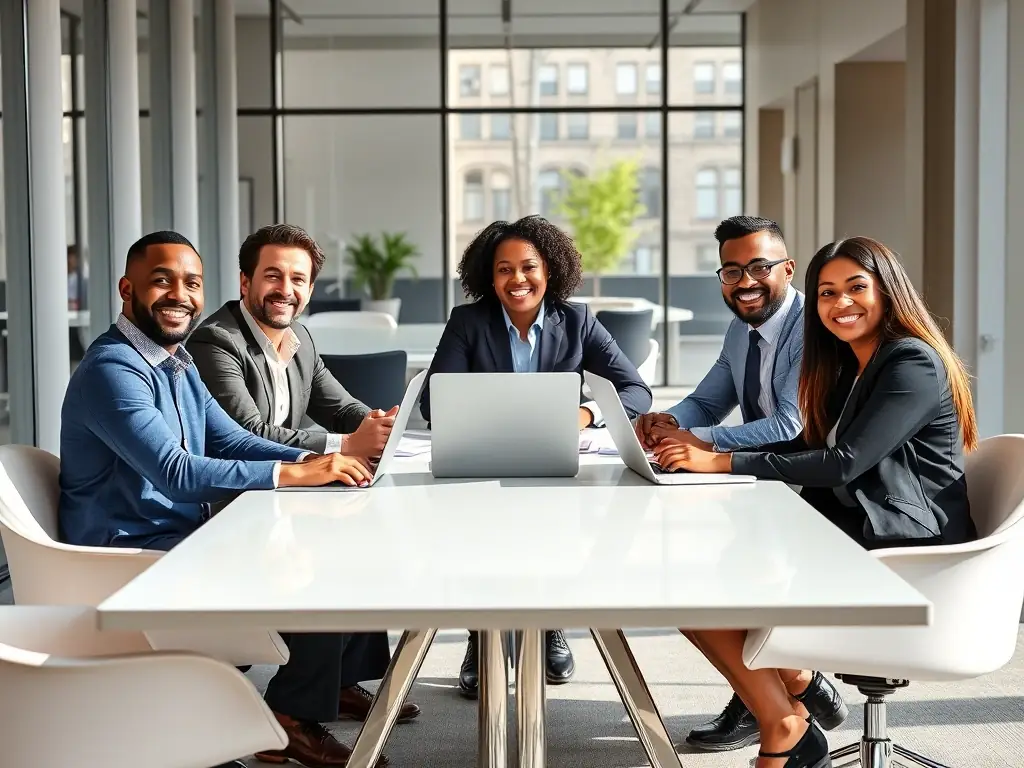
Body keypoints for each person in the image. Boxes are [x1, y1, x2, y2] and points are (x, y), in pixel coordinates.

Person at [58, 231, 389, 768]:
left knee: (337, 543)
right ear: (127, 288)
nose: (180, 295)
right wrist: (292, 472)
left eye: (191, 283)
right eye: (162, 280)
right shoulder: (113, 370)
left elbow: (231, 440)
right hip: (129, 557)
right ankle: (287, 720)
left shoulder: (176, 361)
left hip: (181, 539)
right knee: (316, 565)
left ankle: (299, 706)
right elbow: (175, 473)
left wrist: (316, 463)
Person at [652, 236, 978, 768]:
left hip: (911, 557)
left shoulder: (911, 363)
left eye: (855, 288)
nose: (840, 303)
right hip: (861, 531)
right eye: (827, 293)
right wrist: (705, 454)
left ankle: (788, 722)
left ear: (887, 291)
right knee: (694, 584)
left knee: (707, 586)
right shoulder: (853, 362)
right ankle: (792, 705)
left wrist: (722, 462)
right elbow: (809, 443)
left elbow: (844, 462)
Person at [188, 222, 420, 737]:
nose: (285, 289)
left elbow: (339, 406)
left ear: (310, 289)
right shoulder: (216, 341)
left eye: (297, 279)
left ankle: (337, 681)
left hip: (283, 493)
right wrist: (344, 446)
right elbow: (244, 434)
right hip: (233, 503)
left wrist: (379, 424)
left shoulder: (300, 339)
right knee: (331, 554)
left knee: (366, 534)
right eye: (272, 275)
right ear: (245, 281)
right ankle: (291, 714)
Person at [634, 216, 846, 753]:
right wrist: (669, 422)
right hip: (760, 481)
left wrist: (697, 442)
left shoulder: (810, 328)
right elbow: (707, 401)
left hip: (817, 488)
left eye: (758, 267)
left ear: (788, 269)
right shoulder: (740, 330)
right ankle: (786, 689)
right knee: (686, 584)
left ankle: (783, 692)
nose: (745, 281)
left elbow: (790, 425)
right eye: (732, 271)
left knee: (709, 585)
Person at [419, 215, 653, 699]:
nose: (517, 279)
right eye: (504, 269)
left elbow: (636, 390)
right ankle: (481, 637)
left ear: (549, 270)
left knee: (556, 525)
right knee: (477, 532)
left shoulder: (578, 321)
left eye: (528, 267)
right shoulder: (468, 322)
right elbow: (432, 404)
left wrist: (585, 413)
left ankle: (550, 626)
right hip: (484, 459)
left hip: (554, 462)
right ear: (489, 277)